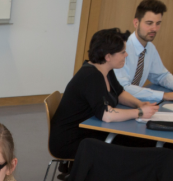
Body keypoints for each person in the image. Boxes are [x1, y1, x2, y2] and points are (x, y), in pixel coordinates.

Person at [49, 28, 160, 162]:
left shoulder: (105, 70)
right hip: (71, 141)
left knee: (141, 142)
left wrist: (139, 104)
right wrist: (139, 112)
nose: (126, 55)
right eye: (122, 52)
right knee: (142, 144)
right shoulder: (91, 77)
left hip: (88, 133)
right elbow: (107, 115)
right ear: (108, 57)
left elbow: (119, 93)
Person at [113, 0, 173, 102]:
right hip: (115, 103)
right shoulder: (122, 48)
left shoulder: (150, 48)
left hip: (135, 103)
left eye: (158, 23)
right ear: (136, 23)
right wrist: (164, 95)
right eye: (149, 23)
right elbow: (123, 88)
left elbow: (160, 75)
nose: (154, 28)